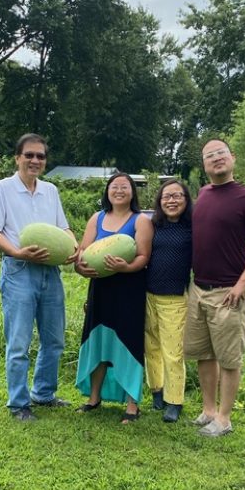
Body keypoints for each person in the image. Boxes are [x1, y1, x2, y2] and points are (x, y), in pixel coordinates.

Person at [0, 133, 78, 422]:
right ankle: (19, 403)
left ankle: (44, 394)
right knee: (19, 343)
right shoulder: (1, 189)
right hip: (19, 270)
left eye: (40, 156)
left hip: (50, 271)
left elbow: (64, 229)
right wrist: (18, 252)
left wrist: (73, 248)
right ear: (17, 157)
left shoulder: (51, 191)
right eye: (29, 155)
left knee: (54, 340)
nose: (35, 160)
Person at [184, 140, 245, 437]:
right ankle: (208, 410)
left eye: (221, 153)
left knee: (229, 358)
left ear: (232, 158)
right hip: (198, 289)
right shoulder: (203, 194)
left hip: (228, 292)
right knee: (205, 354)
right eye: (209, 156)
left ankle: (224, 418)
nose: (216, 159)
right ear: (204, 165)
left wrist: (242, 283)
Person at [75, 172, 153, 423]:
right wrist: (80, 268)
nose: (119, 190)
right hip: (100, 290)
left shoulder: (141, 220)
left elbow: (143, 257)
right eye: (114, 186)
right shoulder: (96, 218)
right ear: (107, 192)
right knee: (97, 341)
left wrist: (125, 268)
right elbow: (82, 254)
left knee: (129, 344)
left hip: (129, 291)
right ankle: (93, 398)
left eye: (125, 187)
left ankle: (132, 405)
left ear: (132, 192)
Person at [144, 179, 193, 423]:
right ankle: (157, 391)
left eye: (177, 196)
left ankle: (175, 401)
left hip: (174, 299)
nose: (171, 201)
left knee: (173, 353)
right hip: (148, 295)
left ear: (186, 200)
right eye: (166, 197)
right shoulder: (153, 225)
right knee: (150, 347)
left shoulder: (193, 227)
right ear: (159, 201)